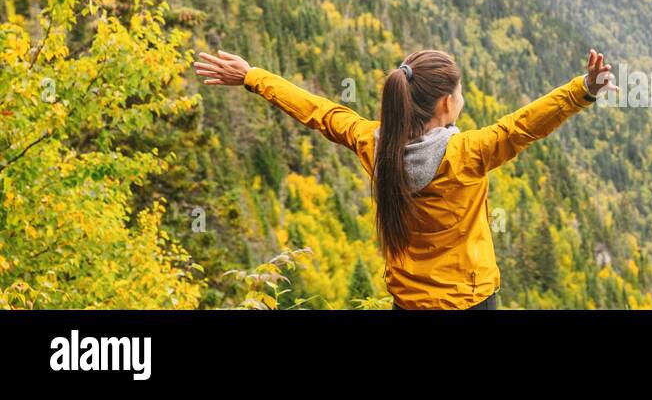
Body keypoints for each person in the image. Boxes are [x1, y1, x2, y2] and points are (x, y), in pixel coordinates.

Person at [193, 49, 617, 309]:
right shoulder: (466, 154)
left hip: (407, 302)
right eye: (462, 93)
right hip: (468, 301)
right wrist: (583, 89)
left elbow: (320, 112)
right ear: (447, 104)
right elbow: (523, 126)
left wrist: (252, 77)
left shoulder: (374, 144)